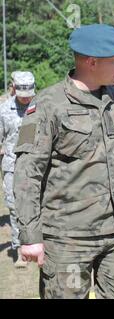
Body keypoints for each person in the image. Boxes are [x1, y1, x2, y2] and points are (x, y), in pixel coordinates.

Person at [13, 24, 114, 299]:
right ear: (91, 62)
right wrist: (30, 236)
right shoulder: (46, 106)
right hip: (68, 240)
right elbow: (27, 174)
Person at [0, 71, 36, 268]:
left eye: (29, 94)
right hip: (12, 166)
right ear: (14, 89)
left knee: (36, 206)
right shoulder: (4, 109)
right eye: (23, 95)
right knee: (14, 207)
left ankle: (37, 244)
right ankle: (20, 248)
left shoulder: (39, 106)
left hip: (36, 165)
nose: (26, 98)